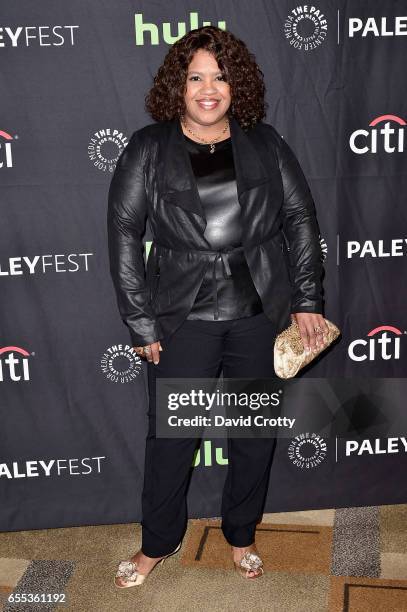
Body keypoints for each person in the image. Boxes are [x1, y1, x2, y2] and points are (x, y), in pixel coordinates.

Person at [107, 25, 329, 586]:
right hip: (183, 321)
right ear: (178, 88)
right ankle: (156, 545)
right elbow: (125, 233)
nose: (209, 89)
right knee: (172, 442)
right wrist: (140, 319)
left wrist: (306, 297)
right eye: (196, 77)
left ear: (238, 85)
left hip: (258, 316)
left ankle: (242, 535)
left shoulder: (267, 142)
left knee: (253, 437)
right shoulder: (148, 148)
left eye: (221, 77)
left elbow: (300, 219)